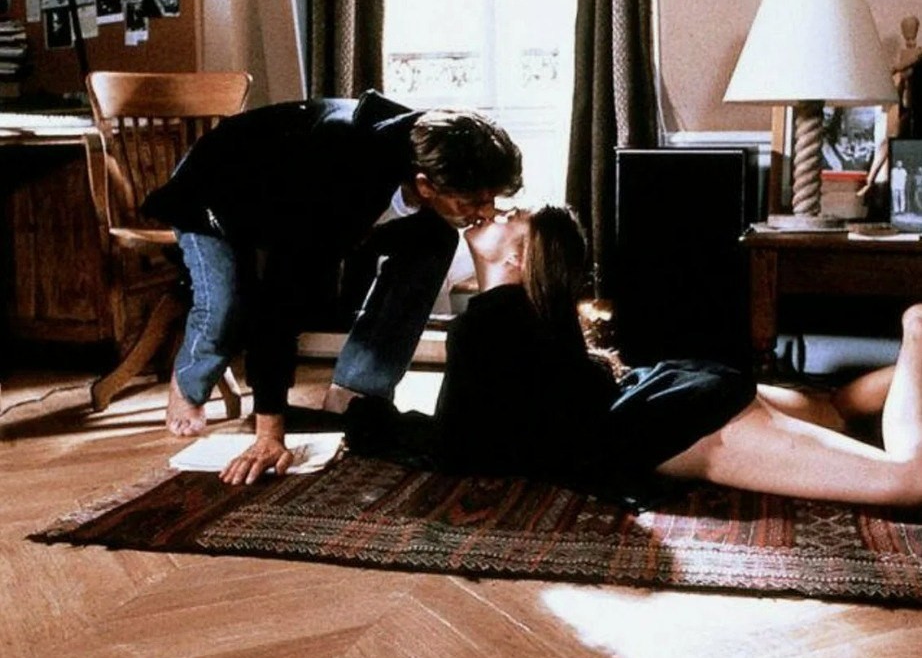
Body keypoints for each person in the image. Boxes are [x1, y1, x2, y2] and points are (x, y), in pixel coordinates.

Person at [281, 204, 922, 509]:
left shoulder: (488, 326)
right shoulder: (534, 318)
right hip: (672, 396)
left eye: (509, 215)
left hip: (684, 427)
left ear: (517, 257)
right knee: (838, 409)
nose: (493, 211)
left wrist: (368, 422)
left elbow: (458, 447)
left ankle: (916, 334)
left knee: (906, 480)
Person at [142, 90, 522, 472]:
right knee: (226, 305)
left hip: (297, 186)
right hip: (213, 188)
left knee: (435, 239)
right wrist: (269, 434)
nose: (486, 212)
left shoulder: (436, 144)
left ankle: (355, 394)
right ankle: (188, 384)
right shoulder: (337, 177)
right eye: (473, 202)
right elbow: (277, 301)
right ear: (425, 185)